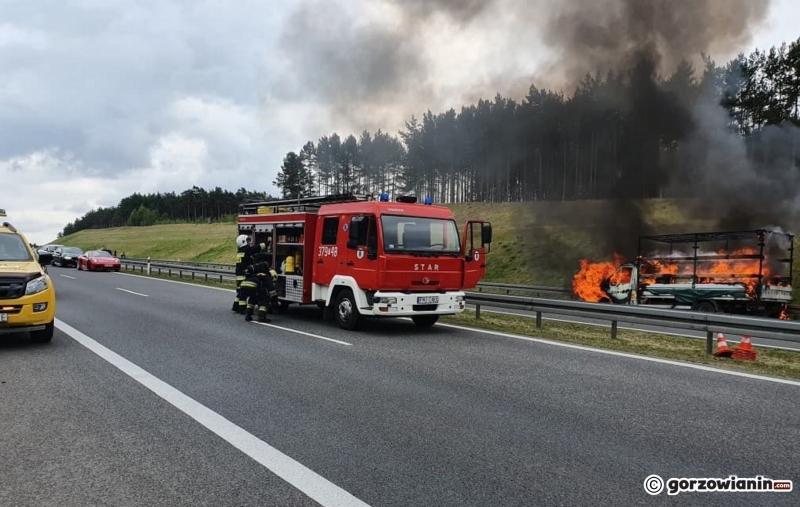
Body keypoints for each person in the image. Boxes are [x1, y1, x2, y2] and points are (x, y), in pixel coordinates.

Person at [232, 234, 267, 313]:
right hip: (243, 276)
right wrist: (264, 244)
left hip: (240, 275)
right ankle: (242, 309)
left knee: (241, 292)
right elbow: (255, 249)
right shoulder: (245, 250)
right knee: (243, 294)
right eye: (247, 241)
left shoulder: (241, 251)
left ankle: (235, 306)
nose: (248, 242)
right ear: (243, 242)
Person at [239, 253, 277, 322]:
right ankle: (261, 317)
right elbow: (272, 290)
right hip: (253, 286)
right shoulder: (267, 276)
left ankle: (248, 315)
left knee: (252, 299)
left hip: (244, 284)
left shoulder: (257, 274)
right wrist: (274, 301)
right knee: (264, 300)